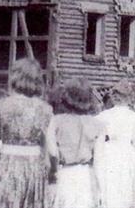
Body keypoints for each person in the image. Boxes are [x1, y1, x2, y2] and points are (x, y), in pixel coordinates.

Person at [0, 58, 53, 208]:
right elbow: (49, 151)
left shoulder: (3, 105)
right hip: (34, 168)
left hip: (6, 165)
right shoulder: (46, 109)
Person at [46, 79, 103, 208]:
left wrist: (53, 173)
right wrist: (99, 188)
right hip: (86, 176)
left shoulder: (56, 121)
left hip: (65, 174)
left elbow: (53, 152)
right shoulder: (98, 125)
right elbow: (99, 161)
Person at [94, 80, 135, 208]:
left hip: (109, 153)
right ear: (128, 98)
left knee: (111, 188)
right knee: (126, 187)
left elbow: (98, 142)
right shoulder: (134, 116)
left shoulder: (103, 116)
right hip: (127, 153)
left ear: (114, 98)